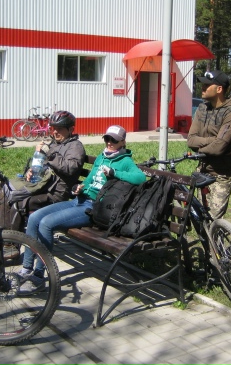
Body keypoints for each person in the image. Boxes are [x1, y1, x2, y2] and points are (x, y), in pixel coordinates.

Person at [19, 125, 146, 293]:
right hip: (79, 200)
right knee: (35, 217)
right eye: (107, 139)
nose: (109, 143)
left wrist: (115, 173)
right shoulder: (102, 157)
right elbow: (89, 180)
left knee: (46, 223)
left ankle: (38, 276)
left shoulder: (125, 161)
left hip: (94, 208)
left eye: (114, 140)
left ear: (122, 142)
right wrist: (80, 187)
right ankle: (26, 269)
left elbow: (140, 177)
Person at [0, 111, 86, 231]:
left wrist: (49, 153)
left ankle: (11, 240)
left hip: (54, 194)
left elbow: (70, 168)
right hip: (41, 187)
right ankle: (4, 235)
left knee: (18, 204)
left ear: (71, 129)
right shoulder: (55, 144)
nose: (55, 132)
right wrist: (32, 171)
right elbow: (43, 164)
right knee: (5, 191)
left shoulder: (75, 146)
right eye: (53, 128)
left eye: (59, 129)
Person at [187, 70, 231, 219]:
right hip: (202, 171)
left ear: (219, 89)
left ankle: (215, 235)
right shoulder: (202, 108)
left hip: (221, 174)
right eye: (203, 84)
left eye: (207, 85)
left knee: (213, 219)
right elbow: (191, 140)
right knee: (200, 217)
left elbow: (218, 148)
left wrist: (212, 144)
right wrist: (214, 140)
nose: (203, 88)